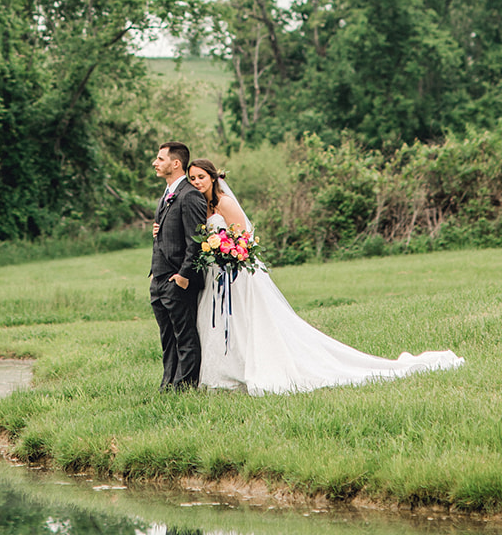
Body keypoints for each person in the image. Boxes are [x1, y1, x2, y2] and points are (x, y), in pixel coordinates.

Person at [186, 158, 464, 396]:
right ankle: (227, 372)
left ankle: (257, 367)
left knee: (248, 320)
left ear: (213, 177)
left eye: (201, 177)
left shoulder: (225, 203)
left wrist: (229, 253)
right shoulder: (204, 208)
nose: (197, 181)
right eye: (192, 178)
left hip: (238, 273)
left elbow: (243, 238)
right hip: (216, 274)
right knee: (225, 322)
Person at [149, 142, 209, 390]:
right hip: (159, 279)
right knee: (168, 338)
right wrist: (154, 274)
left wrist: (184, 276)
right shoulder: (167, 194)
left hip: (178, 279)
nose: (155, 162)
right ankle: (168, 385)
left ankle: (185, 387)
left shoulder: (190, 194)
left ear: (176, 164)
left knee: (184, 336)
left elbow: (197, 240)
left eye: (160, 159)